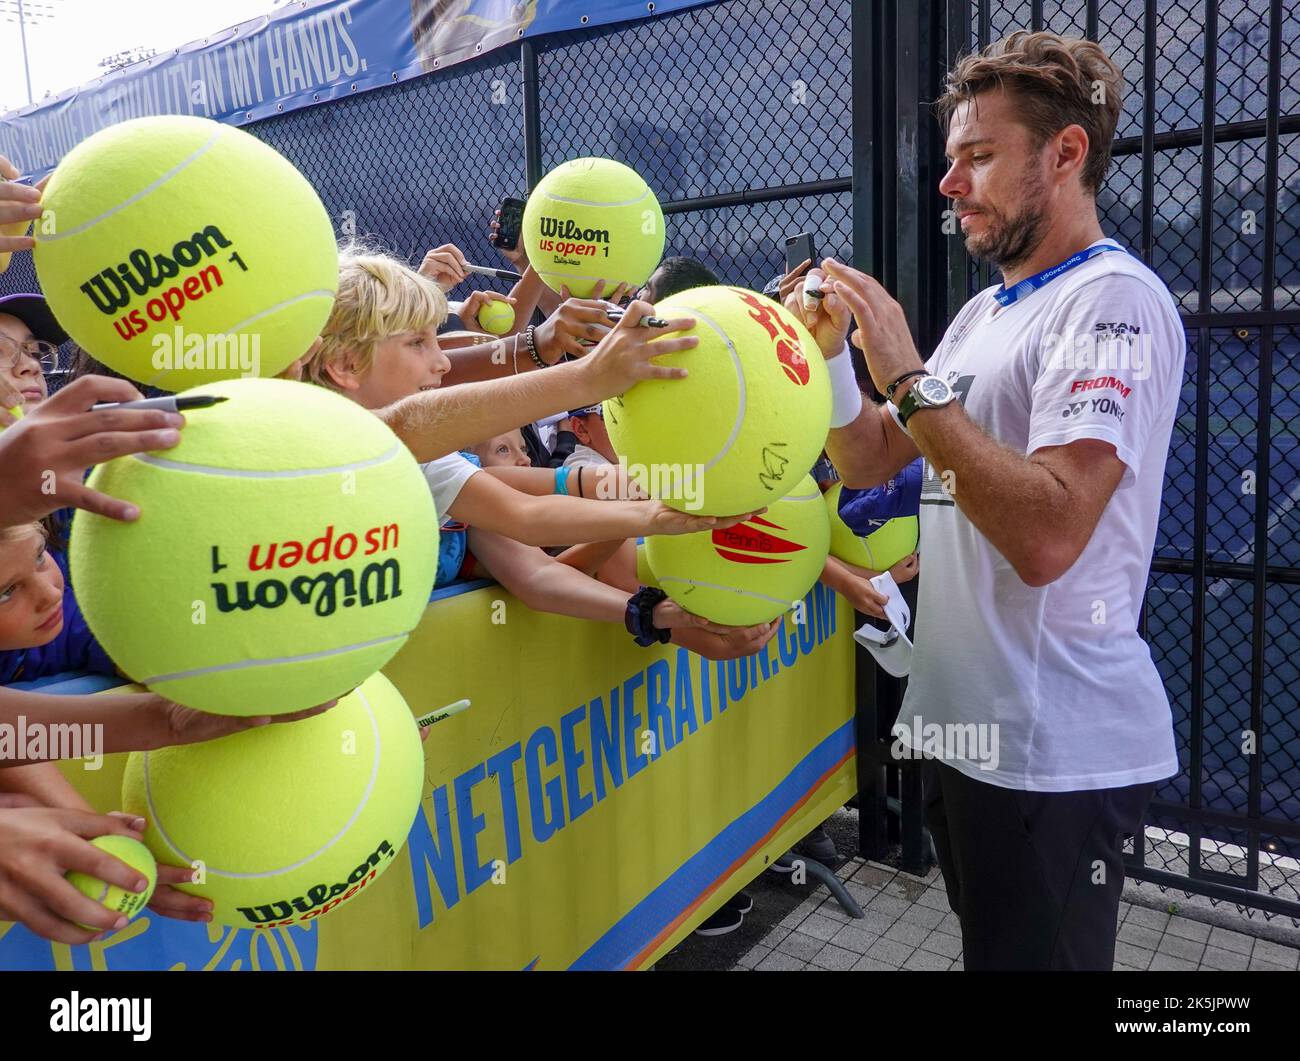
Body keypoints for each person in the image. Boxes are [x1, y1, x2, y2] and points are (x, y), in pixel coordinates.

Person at [795, 31, 1185, 971]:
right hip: (971, 731)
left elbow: (1049, 533)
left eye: (978, 156)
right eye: (950, 159)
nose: (949, 182)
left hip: (1051, 750)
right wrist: (844, 356)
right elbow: (866, 459)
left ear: (1065, 154)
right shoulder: (989, 309)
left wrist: (908, 372)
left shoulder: (1114, 302)